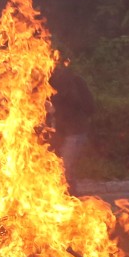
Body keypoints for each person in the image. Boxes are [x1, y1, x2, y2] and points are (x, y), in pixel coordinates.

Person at [49, 64, 94, 194]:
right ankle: (62, 198)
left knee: (66, 168)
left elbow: (88, 106)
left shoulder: (72, 84)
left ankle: (70, 199)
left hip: (75, 131)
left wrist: (55, 109)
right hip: (62, 132)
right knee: (58, 167)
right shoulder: (53, 83)